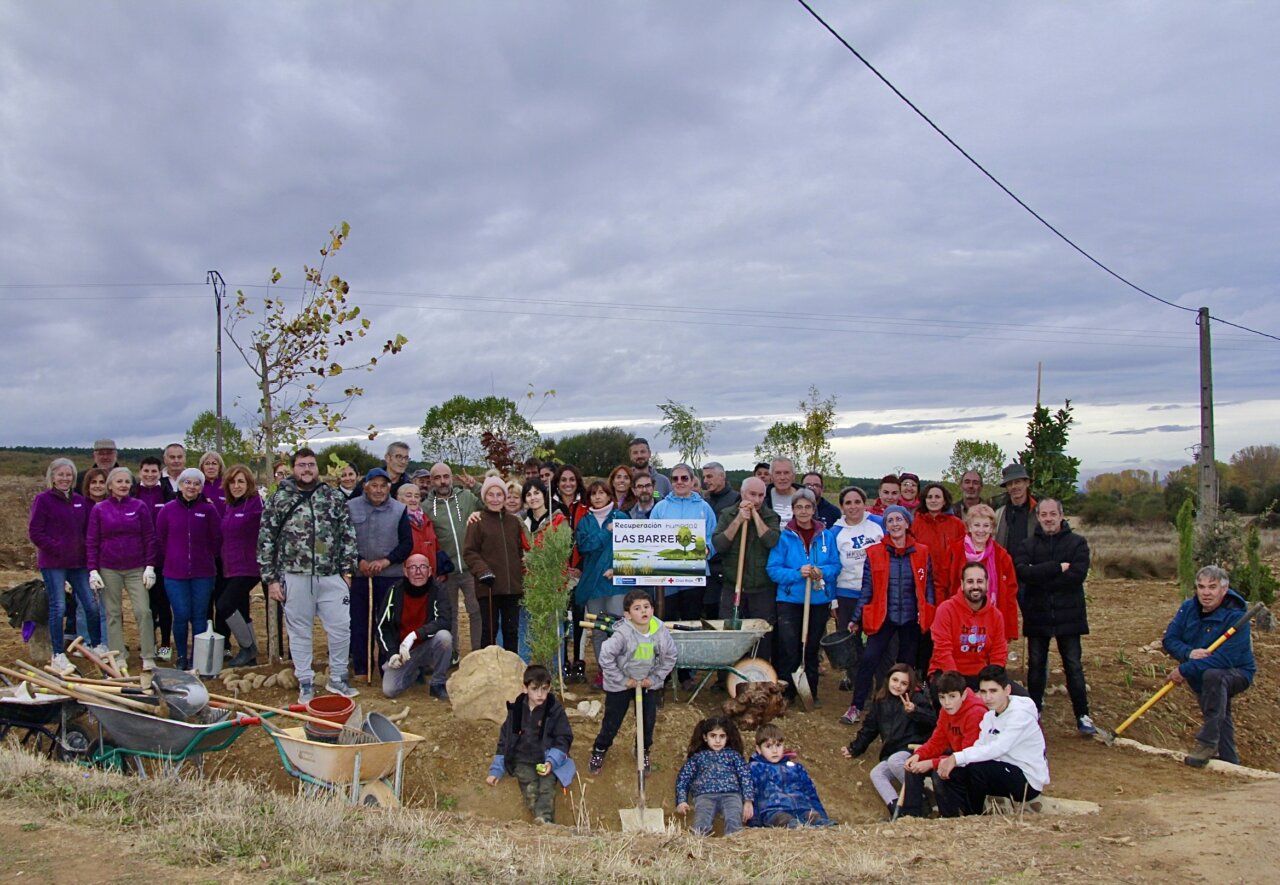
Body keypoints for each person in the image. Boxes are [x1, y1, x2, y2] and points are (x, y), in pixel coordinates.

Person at [258, 447, 361, 702]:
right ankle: (305, 681)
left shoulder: (332, 496)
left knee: (341, 628)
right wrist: (271, 579)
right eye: (302, 465)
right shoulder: (279, 498)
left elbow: (347, 534)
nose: (307, 469)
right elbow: (266, 539)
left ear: (317, 468)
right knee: (300, 631)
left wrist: (347, 571)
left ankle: (338, 678)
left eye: (311, 465)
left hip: (331, 575)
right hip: (295, 575)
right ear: (294, 468)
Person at [844, 505, 935, 725]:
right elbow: (867, 589)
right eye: (890, 521)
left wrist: (930, 615)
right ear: (885, 526)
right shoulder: (875, 552)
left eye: (898, 519)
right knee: (869, 659)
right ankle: (856, 705)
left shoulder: (922, 551)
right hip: (884, 616)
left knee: (907, 665)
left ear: (907, 523)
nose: (895, 524)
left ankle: (903, 708)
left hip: (911, 618)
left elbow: (928, 588)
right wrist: (856, 618)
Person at [1013, 497, 1094, 735]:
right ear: (1038, 517)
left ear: (1061, 515)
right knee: (1036, 665)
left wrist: (1040, 576)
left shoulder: (1077, 543)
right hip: (1037, 614)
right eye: (1043, 514)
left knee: (1073, 666)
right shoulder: (1028, 545)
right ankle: (1034, 711)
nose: (1048, 519)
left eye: (1052, 514)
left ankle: (1083, 715)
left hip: (1070, 616)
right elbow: (1023, 573)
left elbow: (1077, 576)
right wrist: (1057, 568)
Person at [1163, 565, 1256, 767]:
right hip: (1200, 672)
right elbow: (1170, 639)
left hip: (1237, 672)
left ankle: (1207, 744)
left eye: (1212, 587)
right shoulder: (1188, 608)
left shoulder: (1237, 617)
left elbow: (1225, 659)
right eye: (1201, 586)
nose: (1206, 593)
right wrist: (1188, 653)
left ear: (1224, 589)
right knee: (1218, 712)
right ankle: (1230, 761)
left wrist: (1184, 669)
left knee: (1214, 677)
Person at [935, 665, 1049, 816]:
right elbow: (980, 747)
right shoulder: (989, 716)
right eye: (983, 692)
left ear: (1007, 690)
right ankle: (952, 817)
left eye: (993, 691)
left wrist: (957, 757)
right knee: (952, 772)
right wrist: (951, 762)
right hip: (999, 769)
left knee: (977, 769)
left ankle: (972, 816)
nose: (987, 697)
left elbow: (999, 747)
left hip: (1026, 778)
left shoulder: (1021, 715)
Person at [588, 590, 677, 775]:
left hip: (647, 682)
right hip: (621, 683)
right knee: (613, 720)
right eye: (637, 608)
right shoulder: (622, 633)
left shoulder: (660, 631)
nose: (643, 611)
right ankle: (600, 749)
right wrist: (623, 680)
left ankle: (643, 750)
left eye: (646, 607)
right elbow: (606, 657)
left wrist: (654, 679)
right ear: (627, 614)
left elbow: (670, 657)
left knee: (647, 720)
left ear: (652, 609)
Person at [28, 457, 104, 670]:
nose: (65, 478)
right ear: (52, 477)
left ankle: (97, 645)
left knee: (91, 604)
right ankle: (58, 654)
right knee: (59, 607)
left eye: (68, 475)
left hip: (78, 563)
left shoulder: (80, 501)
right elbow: (35, 532)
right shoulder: (43, 500)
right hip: (54, 563)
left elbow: (88, 531)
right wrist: (57, 548)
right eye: (60, 474)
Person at [766, 488, 840, 704]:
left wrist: (821, 571)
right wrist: (797, 573)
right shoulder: (784, 537)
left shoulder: (826, 536)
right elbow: (773, 569)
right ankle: (787, 692)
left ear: (814, 509)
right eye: (799, 507)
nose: (803, 511)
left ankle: (810, 691)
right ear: (793, 510)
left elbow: (836, 566)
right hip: (790, 600)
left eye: (808, 507)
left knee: (811, 647)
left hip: (818, 600)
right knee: (788, 646)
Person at [651, 464, 719, 685]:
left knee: (690, 623)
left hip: (694, 576)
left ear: (692, 481)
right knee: (667, 624)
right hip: (666, 578)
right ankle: (665, 671)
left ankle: (686, 673)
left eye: (684, 478)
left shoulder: (704, 508)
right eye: (675, 478)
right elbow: (650, 537)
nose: (679, 482)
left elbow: (712, 537)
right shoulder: (660, 508)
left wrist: (708, 549)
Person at [841, 663, 936, 818]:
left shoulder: (917, 699)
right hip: (893, 750)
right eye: (895, 680)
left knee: (895, 761)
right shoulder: (880, 700)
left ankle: (922, 791)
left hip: (914, 749)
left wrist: (915, 711)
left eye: (903, 683)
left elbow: (933, 721)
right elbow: (870, 727)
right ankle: (898, 811)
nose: (898, 686)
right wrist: (855, 748)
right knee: (877, 773)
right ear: (888, 679)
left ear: (910, 685)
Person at [86, 466, 157, 671]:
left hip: (136, 568)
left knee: (143, 611)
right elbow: (92, 541)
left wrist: (150, 566)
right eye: (119, 481)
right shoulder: (99, 509)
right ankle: (118, 655)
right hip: (109, 568)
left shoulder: (139, 506)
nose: (123, 485)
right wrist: (93, 570)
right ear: (110, 485)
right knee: (113, 613)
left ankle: (148, 655)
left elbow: (149, 538)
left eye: (127, 481)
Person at [485, 664, 575, 825]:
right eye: (535, 689)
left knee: (547, 788)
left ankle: (545, 821)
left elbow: (563, 738)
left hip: (546, 759)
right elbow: (505, 741)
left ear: (549, 688)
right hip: (522, 760)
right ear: (525, 688)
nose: (540, 694)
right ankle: (540, 819)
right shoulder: (516, 711)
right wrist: (496, 770)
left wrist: (551, 762)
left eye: (544, 689)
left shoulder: (554, 711)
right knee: (530, 789)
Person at [347, 467, 413, 679]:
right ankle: (362, 668)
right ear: (365, 487)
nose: (378, 490)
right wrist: (359, 561)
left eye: (383, 486)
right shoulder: (350, 507)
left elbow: (407, 544)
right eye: (374, 485)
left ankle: (387, 666)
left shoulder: (399, 510)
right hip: (361, 576)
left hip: (390, 576)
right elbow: (344, 540)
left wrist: (386, 561)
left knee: (389, 623)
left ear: (389, 488)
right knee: (360, 622)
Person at [156, 467, 222, 671]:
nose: (191, 487)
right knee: (181, 614)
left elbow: (217, 538)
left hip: (203, 573)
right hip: (174, 573)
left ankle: (198, 658)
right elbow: (161, 538)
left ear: (201, 487)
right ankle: (182, 656)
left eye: (196, 483)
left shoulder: (208, 510)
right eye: (187, 482)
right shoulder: (167, 510)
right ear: (180, 485)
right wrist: (174, 557)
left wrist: (205, 555)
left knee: (199, 615)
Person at [900, 670, 987, 818]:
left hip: (973, 764)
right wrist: (919, 755)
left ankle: (949, 818)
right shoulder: (945, 712)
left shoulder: (975, 713)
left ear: (963, 695)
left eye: (952, 697)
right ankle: (912, 816)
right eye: (942, 697)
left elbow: (968, 753)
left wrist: (931, 763)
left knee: (940, 773)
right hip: (955, 757)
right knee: (912, 765)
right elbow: (937, 741)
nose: (947, 703)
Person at [712, 476, 780, 661]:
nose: (756, 500)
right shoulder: (727, 514)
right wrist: (738, 520)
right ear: (742, 494)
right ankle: (727, 673)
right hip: (733, 585)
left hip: (761, 588)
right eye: (752, 494)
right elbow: (719, 544)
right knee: (729, 633)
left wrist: (756, 516)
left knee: (761, 636)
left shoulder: (771, 516)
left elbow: (771, 541)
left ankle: (759, 672)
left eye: (761, 495)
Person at [426, 462, 482, 664]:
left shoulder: (466, 497)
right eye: (437, 478)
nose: (442, 481)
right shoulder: (426, 507)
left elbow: (489, 504)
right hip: (446, 572)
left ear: (451, 478)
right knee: (450, 614)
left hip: (470, 568)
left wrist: (475, 486)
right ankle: (452, 655)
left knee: (476, 610)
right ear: (431, 481)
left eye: (446, 476)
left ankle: (478, 653)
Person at [573, 481, 629, 686]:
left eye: (601, 493)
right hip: (593, 584)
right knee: (597, 630)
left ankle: (621, 671)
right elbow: (585, 546)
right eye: (593, 494)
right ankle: (603, 671)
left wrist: (617, 569)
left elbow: (630, 548)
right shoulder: (584, 522)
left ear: (609, 495)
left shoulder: (621, 517)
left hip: (616, 583)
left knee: (618, 628)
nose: (597, 497)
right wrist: (607, 531)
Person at [829, 485, 884, 691]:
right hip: (847, 593)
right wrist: (833, 599)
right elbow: (831, 567)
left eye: (857, 502)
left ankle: (880, 682)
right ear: (842, 507)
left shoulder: (878, 524)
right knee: (850, 641)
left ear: (864, 503)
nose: (853, 507)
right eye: (848, 503)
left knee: (876, 640)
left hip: (876, 593)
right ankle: (858, 683)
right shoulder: (835, 532)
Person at [463, 476, 527, 652]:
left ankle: (511, 664)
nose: (495, 499)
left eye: (499, 494)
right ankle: (488, 665)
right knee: (489, 631)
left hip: (512, 588)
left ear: (505, 497)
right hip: (488, 586)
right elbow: (469, 552)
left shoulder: (514, 522)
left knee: (511, 631)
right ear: (484, 497)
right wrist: (482, 571)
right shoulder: (477, 522)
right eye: (490, 494)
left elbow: (519, 550)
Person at [378, 552, 453, 700]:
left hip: (427, 646)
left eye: (423, 567)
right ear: (405, 572)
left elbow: (444, 621)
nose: (418, 572)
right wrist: (392, 653)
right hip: (403, 652)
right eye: (413, 567)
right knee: (389, 690)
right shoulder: (395, 591)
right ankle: (415, 672)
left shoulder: (439, 590)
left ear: (429, 571)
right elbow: (382, 627)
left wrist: (414, 635)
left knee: (444, 637)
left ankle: (438, 682)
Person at [942, 504, 1019, 644]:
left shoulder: (1002, 556)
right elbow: (942, 585)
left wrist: (1009, 629)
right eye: (977, 525)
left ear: (992, 528)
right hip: (958, 617)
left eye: (986, 526)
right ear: (969, 527)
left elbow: (1010, 594)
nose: (981, 530)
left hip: (990, 620)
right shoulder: (954, 551)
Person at [929, 563, 1008, 688]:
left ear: (987, 584)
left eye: (980, 581)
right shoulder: (946, 610)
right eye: (970, 581)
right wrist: (958, 685)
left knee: (1021, 696)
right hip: (948, 672)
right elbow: (942, 651)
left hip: (981, 675)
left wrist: (991, 683)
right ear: (962, 584)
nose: (975, 586)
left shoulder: (996, 615)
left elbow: (998, 653)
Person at [675, 716, 755, 836]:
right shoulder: (698, 757)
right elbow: (683, 779)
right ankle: (698, 842)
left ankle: (734, 842)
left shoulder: (734, 756)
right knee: (702, 820)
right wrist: (681, 801)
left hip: (731, 795)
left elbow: (745, 777)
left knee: (734, 819)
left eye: (722, 736)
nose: (717, 740)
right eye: (713, 736)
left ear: (727, 737)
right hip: (704, 796)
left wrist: (748, 801)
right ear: (705, 737)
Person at [218, 464, 263, 667]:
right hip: (230, 566)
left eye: (241, 482)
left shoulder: (255, 505)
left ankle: (247, 648)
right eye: (232, 482)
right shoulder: (230, 506)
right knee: (241, 608)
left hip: (248, 566)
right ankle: (164, 651)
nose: (236, 486)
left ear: (249, 483)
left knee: (224, 605)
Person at [747, 723, 833, 828]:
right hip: (773, 810)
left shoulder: (795, 767)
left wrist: (823, 816)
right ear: (759, 749)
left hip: (802, 807)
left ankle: (821, 823)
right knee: (783, 819)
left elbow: (810, 792)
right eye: (768, 746)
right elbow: (752, 795)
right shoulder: (755, 768)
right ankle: (791, 824)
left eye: (778, 745)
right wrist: (755, 824)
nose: (774, 751)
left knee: (812, 816)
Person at [701, 462, 740, 620]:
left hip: (727, 567)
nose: (706, 481)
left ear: (722, 476)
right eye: (704, 477)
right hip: (708, 567)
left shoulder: (736, 499)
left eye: (709, 476)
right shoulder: (704, 502)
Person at [994, 464, 1036, 556]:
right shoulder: (999, 513)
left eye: (1017, 482)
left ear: (1027, 483)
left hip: (1032, 563)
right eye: (1010, 483)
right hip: (1005, 563)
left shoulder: (1038, 511)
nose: (1013, 486)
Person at [396, 483, 439, 567]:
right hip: (408, 571)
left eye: (416, 496)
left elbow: (435, 547)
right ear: (399, 498)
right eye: (408, 496)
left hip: (429, 570)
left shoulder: (426, 519)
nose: (413, 500)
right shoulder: (396, 520)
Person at [764, 458, 799, 527]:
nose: (782, 477)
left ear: (793, 476)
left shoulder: (805, 497)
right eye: (778, 473)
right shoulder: (762, 497)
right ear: (771, 476)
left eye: (786, 473)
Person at [199, 451, 227, 515]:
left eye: (214, 463)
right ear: (202, 467)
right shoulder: (197, 486)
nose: (211, 467)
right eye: (207, 464)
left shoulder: (227, 485)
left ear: (220, 467)